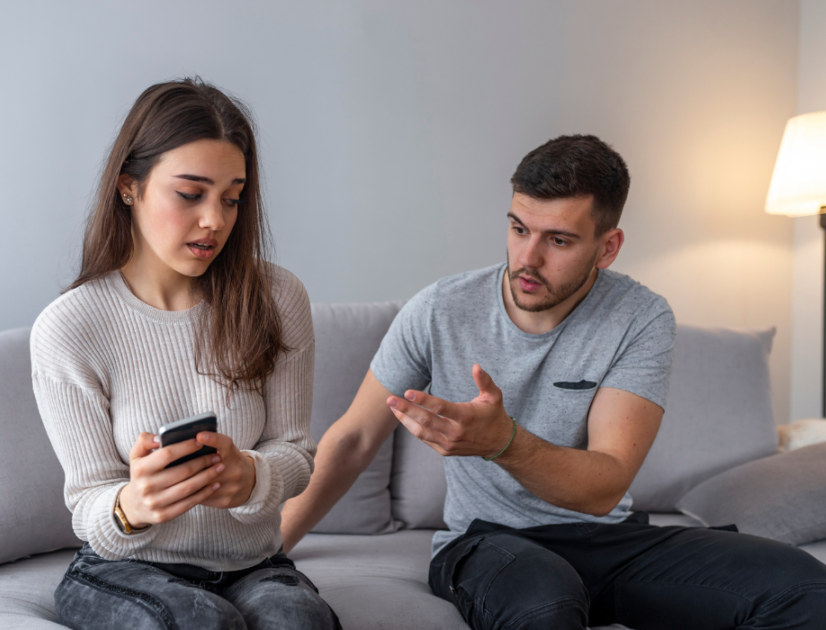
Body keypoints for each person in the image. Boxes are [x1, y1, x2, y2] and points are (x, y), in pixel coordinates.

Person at [280, 135, 826, 629]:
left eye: (559, 241)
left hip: (610, 539)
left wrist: (503, 442)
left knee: (806, 588)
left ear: (607, 248)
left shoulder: (640, 317)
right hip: (488, 543)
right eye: (519, 229)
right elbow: (352, 440)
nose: (528, 258)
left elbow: (605, 484)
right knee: (546, 604)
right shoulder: (440, 309)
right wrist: (270, 547)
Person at [31, 78, 340, 630]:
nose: (215, 221)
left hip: (253, 563)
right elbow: (89, 507)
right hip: (124, 568)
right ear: (130, 187)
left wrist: (251, 476)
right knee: (201, 622)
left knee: (299, 622)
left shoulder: (277, 297)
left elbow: (295, 451)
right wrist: (134, 505)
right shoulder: (71, 326)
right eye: (190, 194)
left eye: (232, 197)